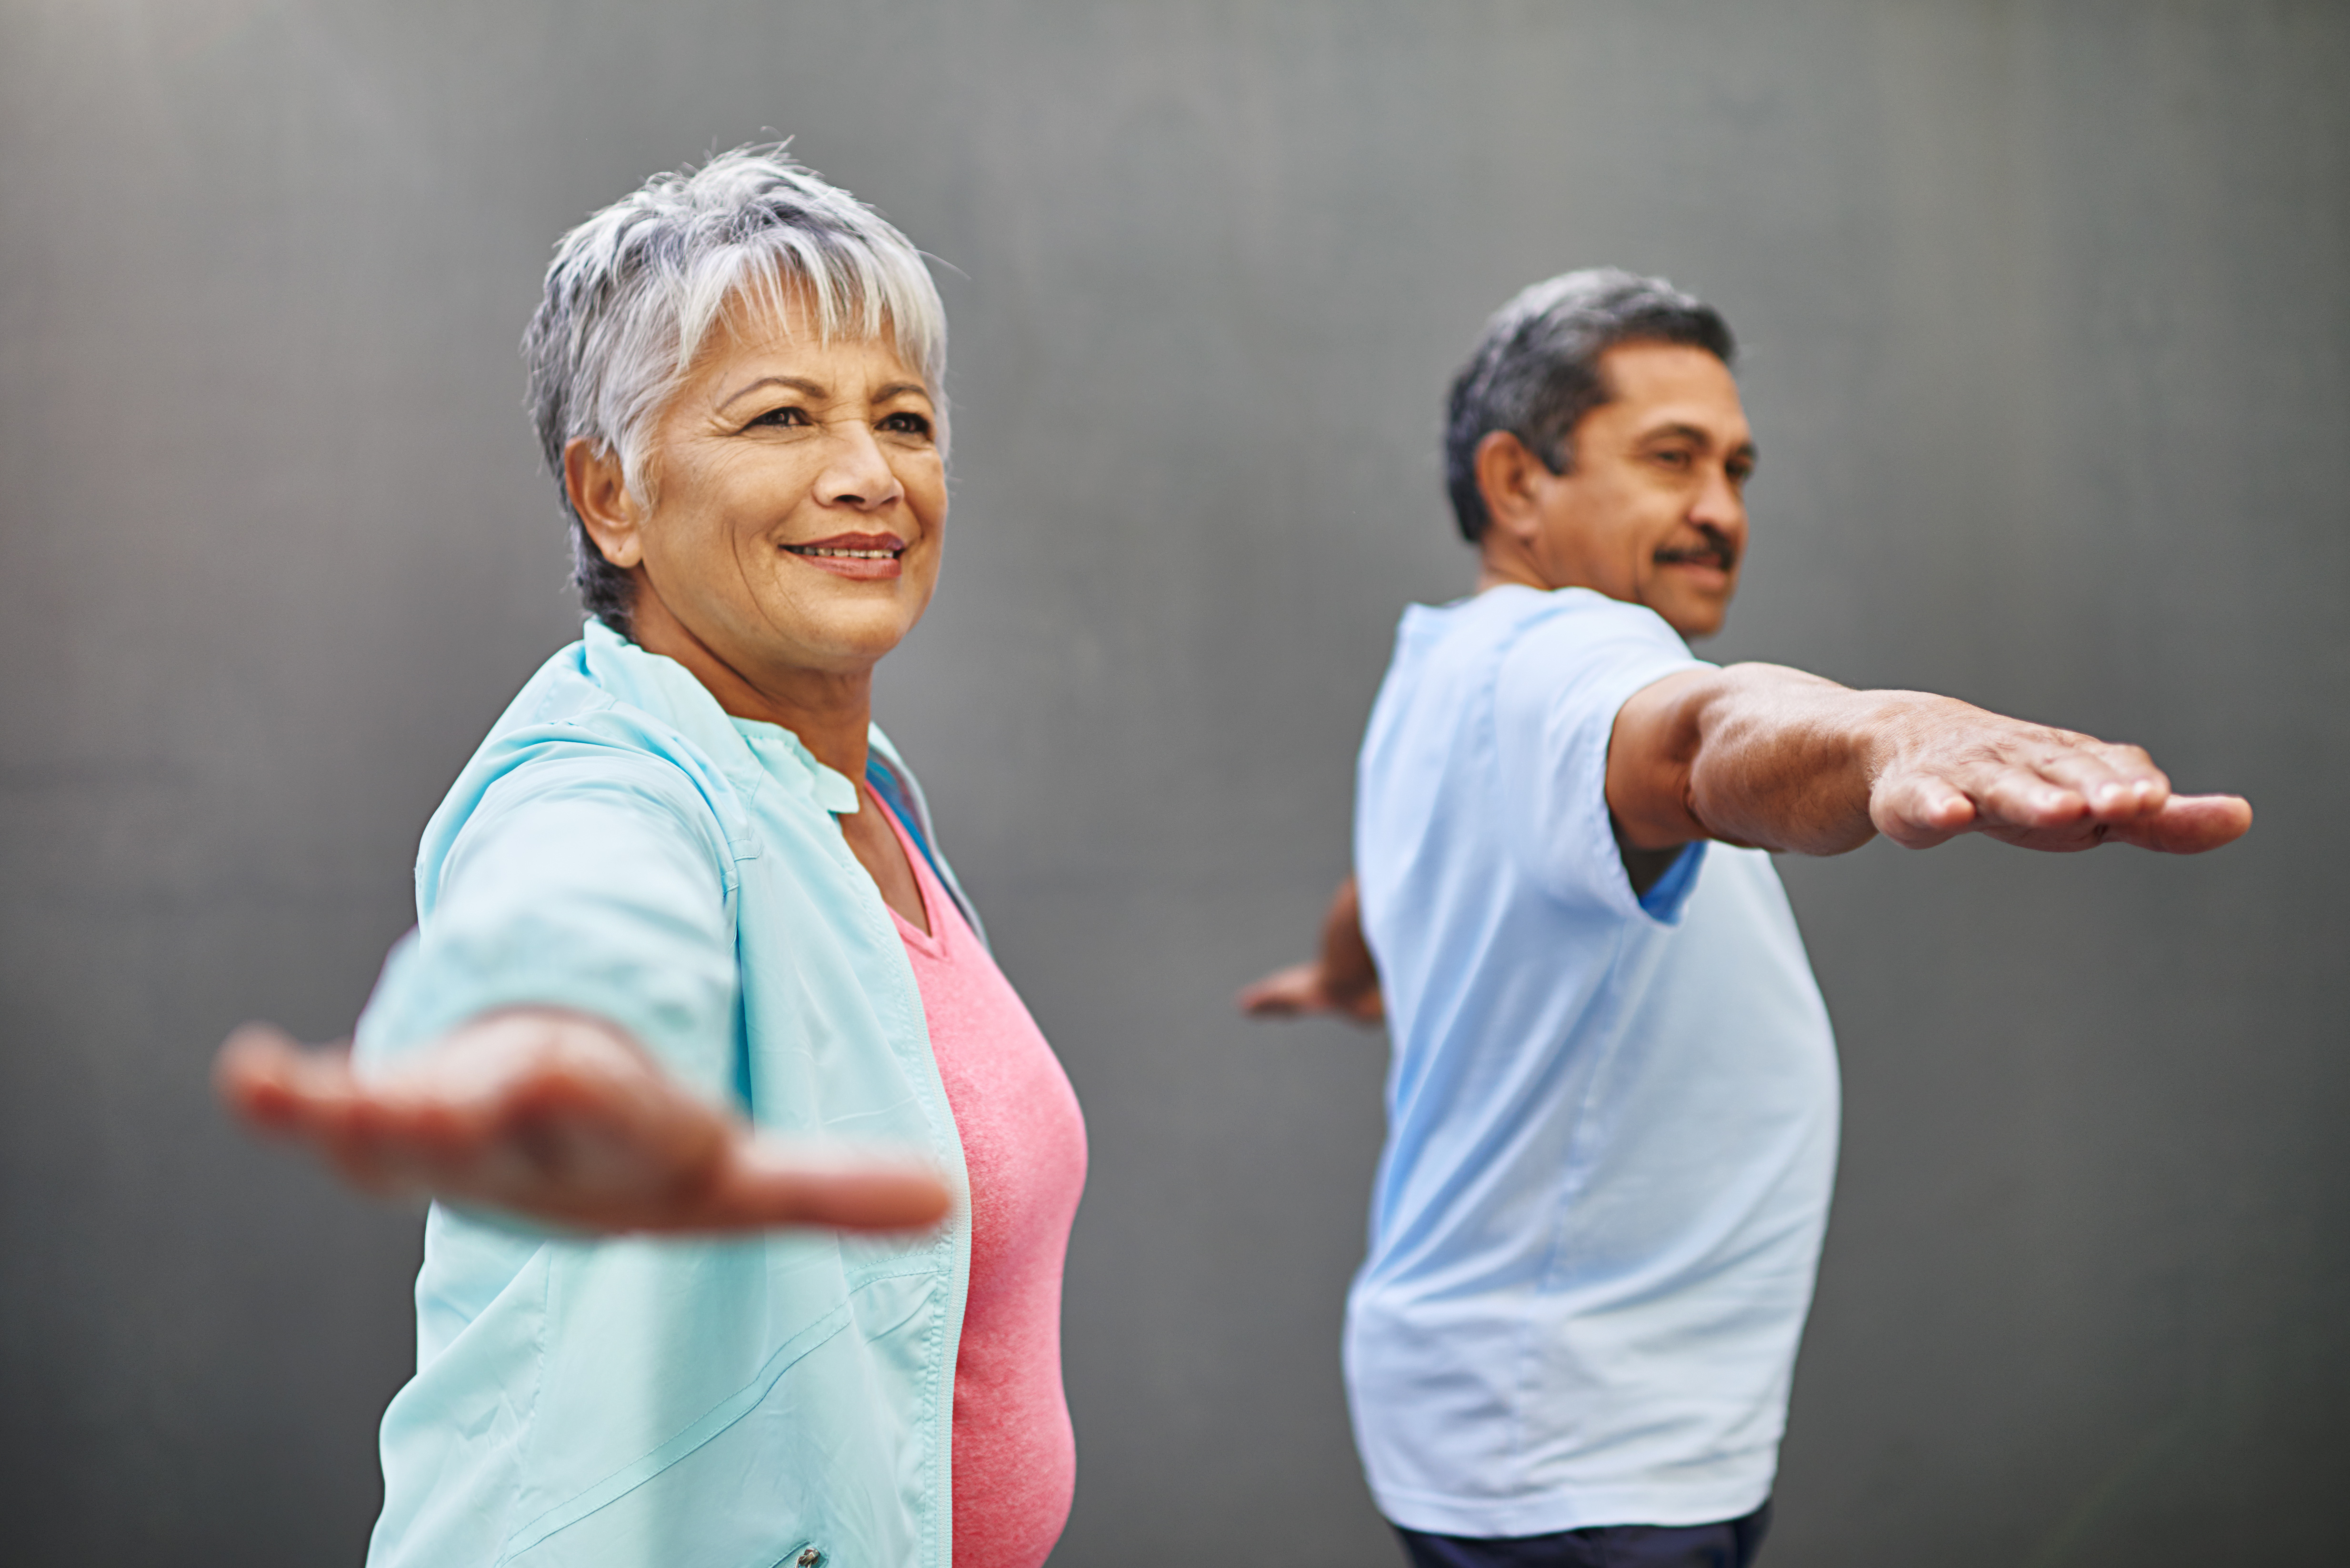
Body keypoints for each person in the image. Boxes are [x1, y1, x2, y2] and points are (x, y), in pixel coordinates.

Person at [1240, 269, 2250, 1568]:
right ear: (1516, 484)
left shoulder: (1448, 667)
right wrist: (1896, 731)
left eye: (1738, 468)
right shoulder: (1571, 660)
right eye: (1672, 459)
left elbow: (1393, 873)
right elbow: (1702, 745)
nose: (1720, 509)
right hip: (1589, 1464)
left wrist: (1345, 976)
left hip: (1499, 1418)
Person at [216, 147, 1087, 1568]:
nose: (868, 475)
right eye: (782, 417)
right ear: (611, 494)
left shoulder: (856, 798)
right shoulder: (610, 781)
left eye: (905, 418)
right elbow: (584, 909)